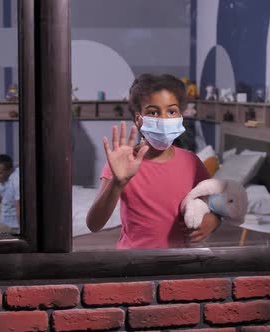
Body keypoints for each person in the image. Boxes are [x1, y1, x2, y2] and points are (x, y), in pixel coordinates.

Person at [86, 73, 220, 249]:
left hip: (182, 265)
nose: (164, 119)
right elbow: (94, 224)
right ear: (138, 119)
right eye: (153, 112)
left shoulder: (192, 162)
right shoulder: (123, 163)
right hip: (134, 265)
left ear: (180, 115)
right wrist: (117, 183)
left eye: (171, 111)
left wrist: (215, 220)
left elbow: (217, 204)